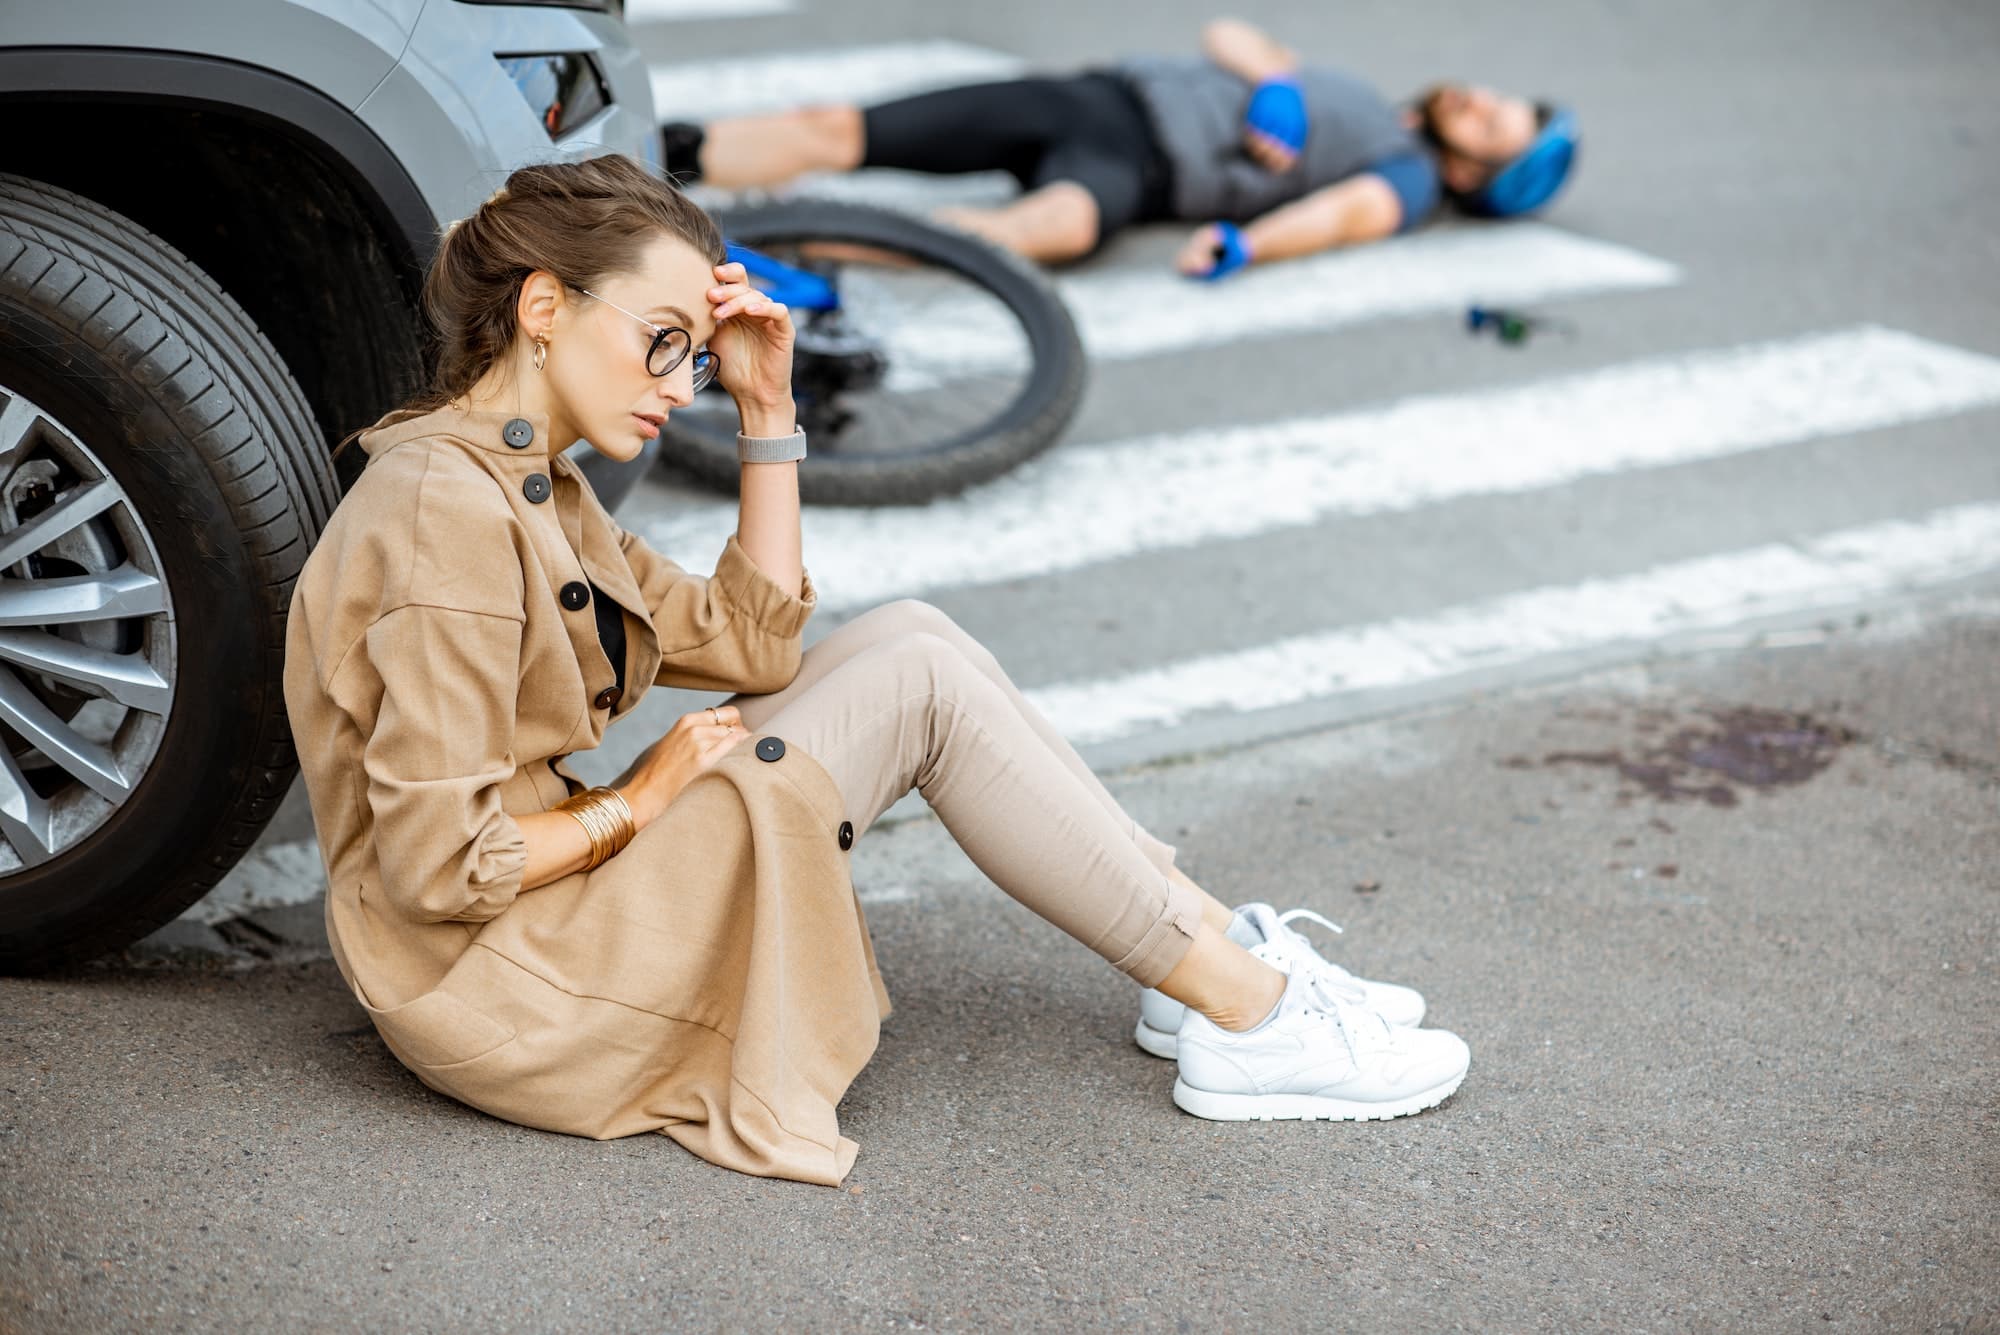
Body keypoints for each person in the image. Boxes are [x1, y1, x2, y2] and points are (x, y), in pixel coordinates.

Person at [283, 155, 1469, 1188]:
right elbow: (439, 868)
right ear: (544, 305)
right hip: (503, 987)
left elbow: (752, 644)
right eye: (662, 341)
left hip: (536, 926)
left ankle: (1207, 956)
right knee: (919, 687)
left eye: (693, 357)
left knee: (913, 638)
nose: (680, 385)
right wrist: (635, 803)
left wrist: (767, 410)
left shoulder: (531, 482)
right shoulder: (446, 509)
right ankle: (1247, 1012)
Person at [660, 18, 1577, 279]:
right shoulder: (1362, 100)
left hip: (1138, 169)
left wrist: (1248, 244)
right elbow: (1229, 31)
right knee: (837, 126)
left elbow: (1346, 214)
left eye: (1490, 125)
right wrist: (1276, 83)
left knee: (1051, 226)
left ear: (1469, 173)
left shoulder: (1408, 177)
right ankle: (649, 159)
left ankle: (768, 247)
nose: (1478, 100)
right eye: (1494, 100)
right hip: (1095, 97)